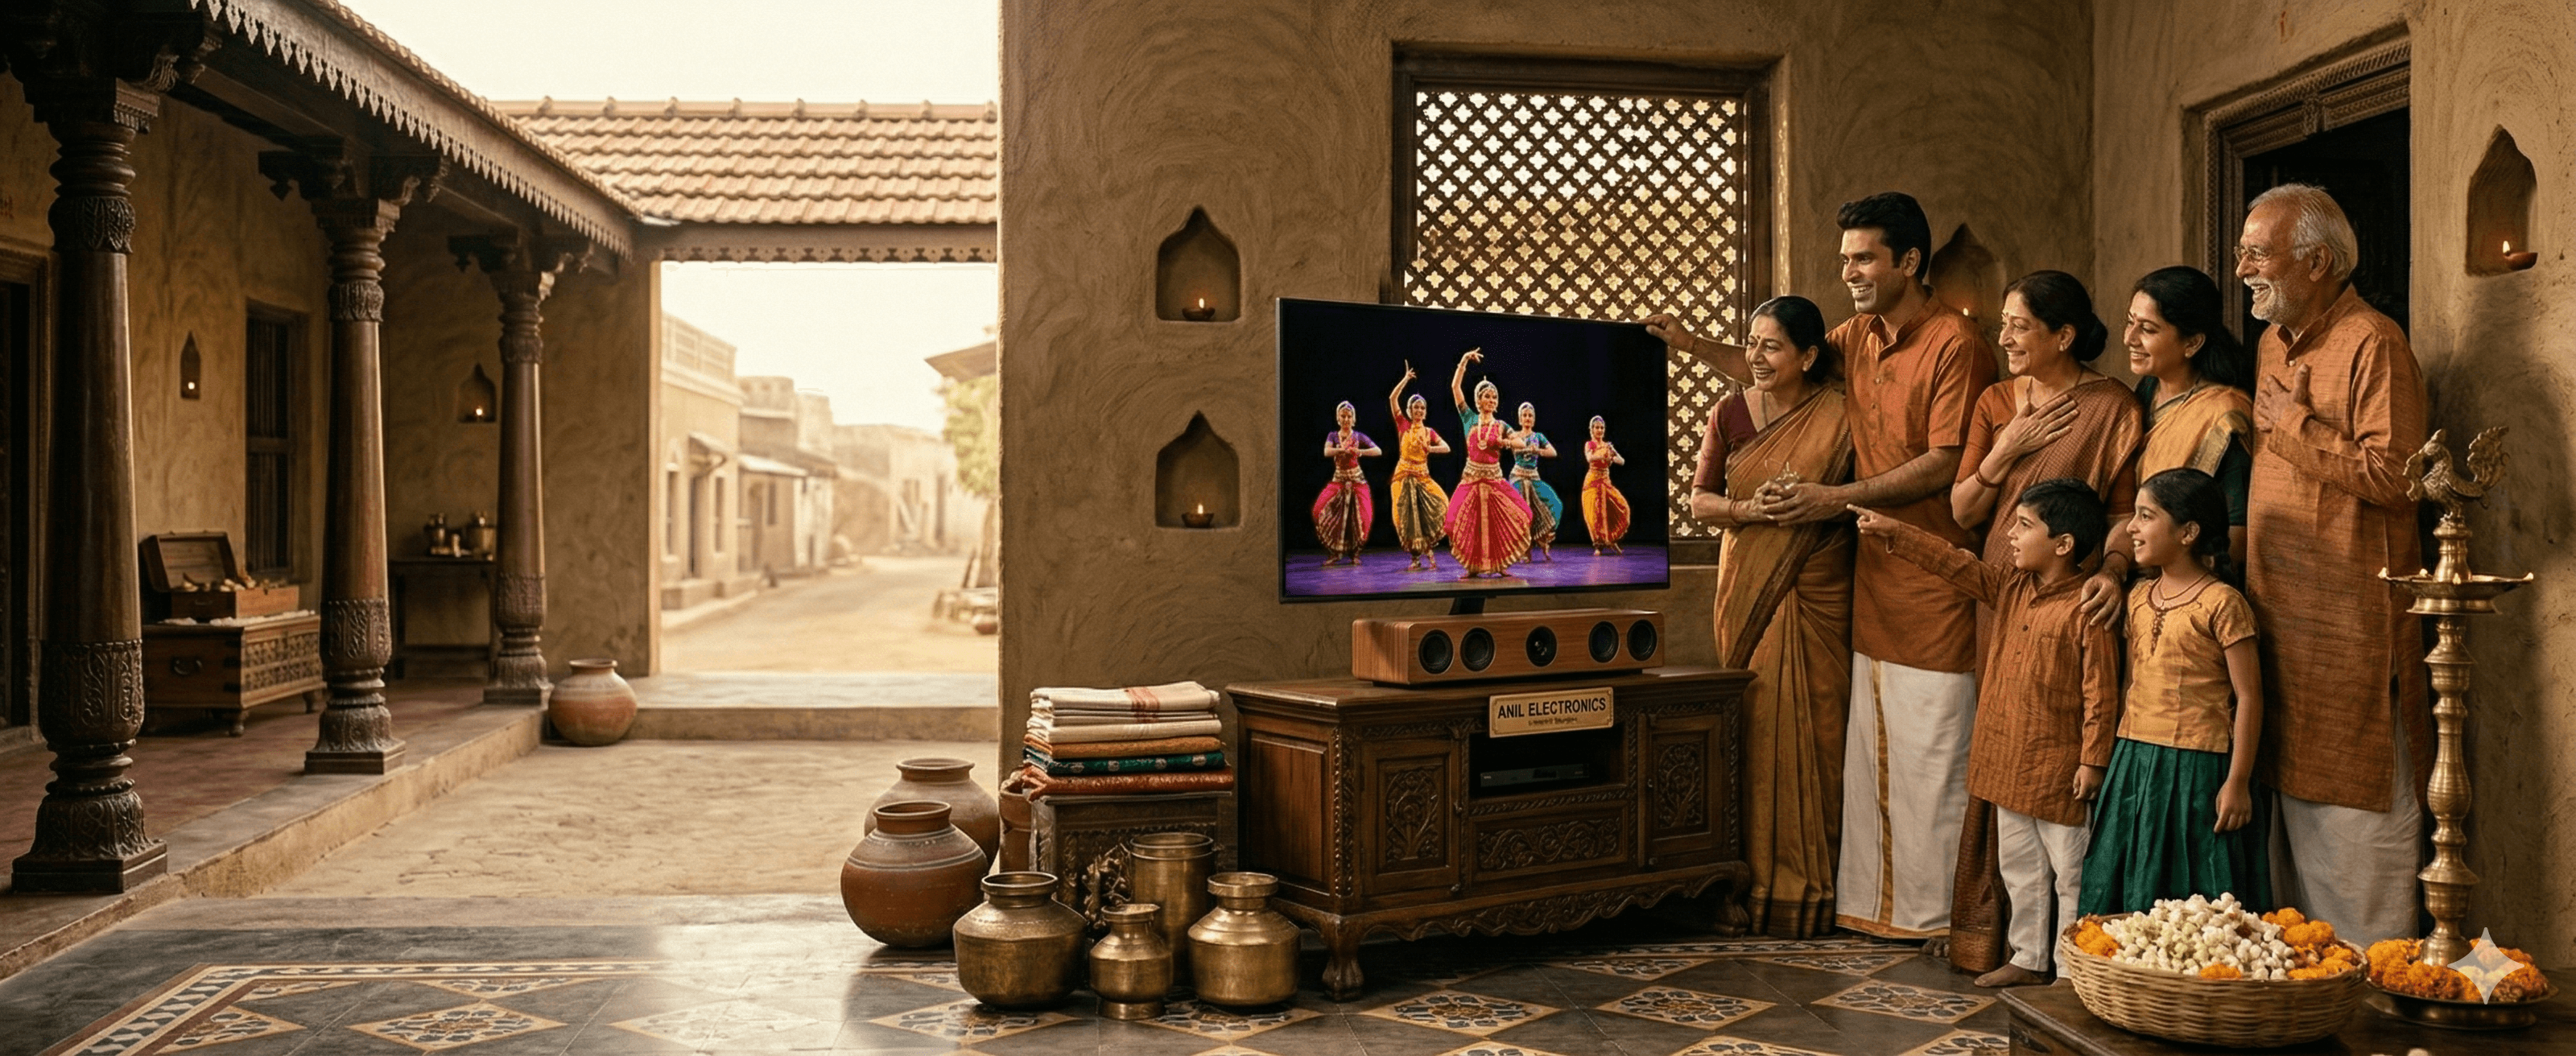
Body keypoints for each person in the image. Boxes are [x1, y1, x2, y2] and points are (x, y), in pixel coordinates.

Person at [1654, 192, 1997, 942]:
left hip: (1931, 579)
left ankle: (1936, 917)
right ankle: (1880, 911)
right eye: (1845, 260)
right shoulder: (1858, 336)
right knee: (1870, 752)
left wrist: (1830, 497)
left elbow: (1943, 462)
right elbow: (1776, 366)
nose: (1850, 273)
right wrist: (1686, 343)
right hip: (1863, 576)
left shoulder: (1953, 345)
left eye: (1865, 258)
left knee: (1931, 752)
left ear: (1909, 261)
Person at [2235, 183, 2428, 947]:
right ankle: (2306, 1006)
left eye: (2258, 252)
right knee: (2288, 852)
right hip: (2280, 619)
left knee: (2354, 832)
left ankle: (2371, 1003)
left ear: (2316, 261)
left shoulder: (2375, 342)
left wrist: (2295, 425)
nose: (2245, 267)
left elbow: (2398, 477)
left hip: (2352, 627)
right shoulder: (2272, 341)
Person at [1942, 270, 2140, 972]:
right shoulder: (1997, 401)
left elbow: (2120, 518)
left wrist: (2113, 573)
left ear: (2063, 335)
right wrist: (2011, 445)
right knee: (2006, 751)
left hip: (2071, 601)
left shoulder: (2113, 407)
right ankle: (2011, 945)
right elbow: (1965, 512)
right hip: (2000, 600)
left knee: (2054, 755)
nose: (2004, 338)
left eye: (2019, 326)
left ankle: (2072, 960)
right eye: (2003, 323)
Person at [1851, 478, 2119, 987]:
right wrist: (1896, 532)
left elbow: (2100, 694)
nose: (2010, 536)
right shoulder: (2011, 587)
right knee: (2019, 868)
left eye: (2023, 526)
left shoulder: (2086, 608)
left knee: (2070, 874)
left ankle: (2068, 971)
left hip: (2059, 770)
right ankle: (2028, 956)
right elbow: (1954, 563)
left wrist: (2092, 761)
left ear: (2063, 544)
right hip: (2005, 759)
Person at [1687, 295, 1854, 937]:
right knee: (1756, 726)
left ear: (1808, 356)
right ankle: (1751, 884)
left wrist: (1815, 506)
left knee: (1819, 732)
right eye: (1751, 343)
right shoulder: (1730, 411)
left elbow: (1852, 499)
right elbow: (1701, 502)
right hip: (1749, 582)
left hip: (1819, 584)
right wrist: (1749, 513)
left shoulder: (1840, 414)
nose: (1756, 357)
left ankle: (1820, 888)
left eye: (1772, 346)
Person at [2081, 468, 2268, 917]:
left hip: (2198, 767)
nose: (2131, 528)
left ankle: (2194, 986)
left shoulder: (2222, 603)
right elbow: (2129, 684)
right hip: (2133, 762)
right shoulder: (2138, 597)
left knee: (2197, 892)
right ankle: (2126, 980)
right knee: (2124, 874)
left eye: (2146, 517)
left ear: (2188, 532)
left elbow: (2250, 696)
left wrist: (2238, 782)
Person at [2124, 266, 2255, 565]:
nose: (2129, 338)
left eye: (2147, 329)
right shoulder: (2145, 391)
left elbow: (2238, 529)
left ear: (2192, 343)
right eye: (2130, 322)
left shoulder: (2222, 414)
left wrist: (2185, 588)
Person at [1443, 349, 1534, 580]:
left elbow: (1519, 442)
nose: (1492, 400)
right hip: (1471, 478)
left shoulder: (1502, 424)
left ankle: (1501, 564)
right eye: (1487, 396)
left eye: (1494, 397)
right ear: (1478, 399)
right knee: (1454, 521)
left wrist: (1504, 441)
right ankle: (1472, 566)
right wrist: (1463, 361)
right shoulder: (1469, 418)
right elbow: (1455, 388)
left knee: (1519, 515)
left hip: (1494, 479)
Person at [1386, 366, 1453, 572]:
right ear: (1410, 410)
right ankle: (1416, 558)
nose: (1419, 411)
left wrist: (1430, 448)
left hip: (1423, 477)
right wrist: (1405, 379)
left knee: (1442, 504)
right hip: (1404, 477)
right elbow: (1392, 399)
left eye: (1422, 408)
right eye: (1416, 408)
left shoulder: (1429, 431)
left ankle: (1429, 549)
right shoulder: (1403, 426)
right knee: (1408, 520)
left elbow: (1447, 448)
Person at [1311, 401, 1381, 567]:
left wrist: (1360, 452)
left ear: (1353, 419)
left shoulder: (1358, 437)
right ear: (1338, 418)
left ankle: (1355, 554)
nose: (1346, 419)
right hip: (1339, 481)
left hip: (1357, 481)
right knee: (1319, 510)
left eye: (1349, 416)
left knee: (1362, 518)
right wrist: (1341, 450)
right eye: (1343, 416)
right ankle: (1335, 553)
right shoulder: (1333, 436)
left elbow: (1378, 451)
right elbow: (1326, 451)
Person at [1508, 402, 1563, 561]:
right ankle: (1523, 548)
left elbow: (1553, 452)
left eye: (1530, 416)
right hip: (1518, 477)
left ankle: (1543, 538)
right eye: (1524, 415)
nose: (1527, 418)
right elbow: (1512, 447)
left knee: (1555, 503)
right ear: (1520, 419)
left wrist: (1537, 450)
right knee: (1522, 512)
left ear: (1534, 419)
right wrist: (1527, 448)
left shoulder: (1538, 437)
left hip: (1534, 477)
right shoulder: (1515, 435)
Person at [1581, 415, 1629, 555]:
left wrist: (1613, 453)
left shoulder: (1608, 446)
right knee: (1596, 515)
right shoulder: (1590, 445)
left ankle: (1612, 540)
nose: (1599, 430)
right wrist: (1603, 457)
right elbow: (1589, 458)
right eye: (1597, 427)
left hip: (1606, 483)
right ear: (1591, 430)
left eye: (1602, 428)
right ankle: (1599, 546)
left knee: (1623, 508)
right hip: (1593, 483)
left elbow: (1622, 461)